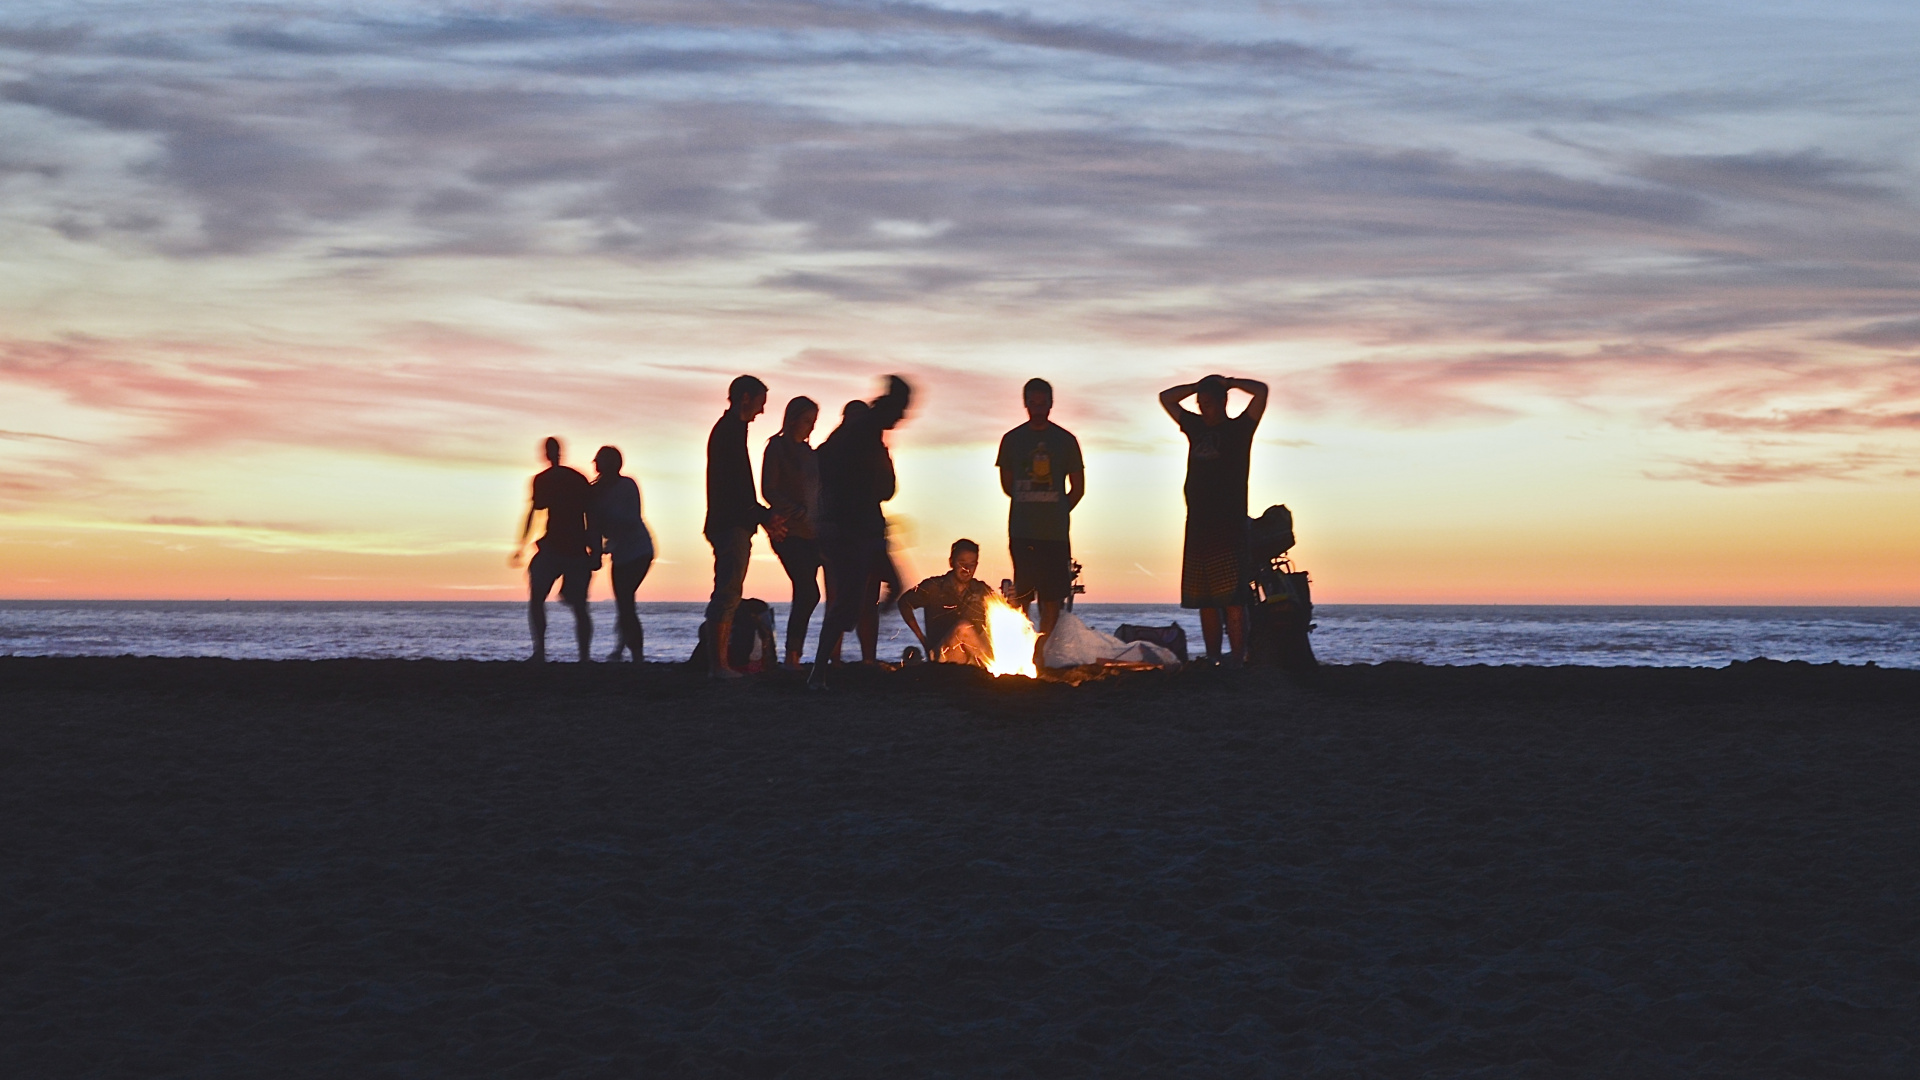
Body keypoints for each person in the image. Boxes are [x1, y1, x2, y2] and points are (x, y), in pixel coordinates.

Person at [808, 376, 912, 690]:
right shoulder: (861, 432)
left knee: (892, 587)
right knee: (848, 603)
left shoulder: (867, 436)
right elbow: (880, 486)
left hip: (865, 528)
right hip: (852, 530)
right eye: (902, 410)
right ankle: (818, 671)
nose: (903, 418)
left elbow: (886, 488)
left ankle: (850, 630)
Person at [1159, 374, 1269, 664]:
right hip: (1197, 524)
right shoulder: (1195, 427)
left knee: (1233, 598)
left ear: (1222, 403)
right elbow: (1166, 397)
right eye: (1200, 403)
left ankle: (1237, 656)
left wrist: (1230, 382)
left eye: (1208, 403)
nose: (1202, 408)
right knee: (1204, 599)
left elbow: (1261, 392)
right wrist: (1196, 386)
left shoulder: (1239, 429)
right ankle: (1212, 656)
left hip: (1228, 524)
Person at [703, 375, 784, 679]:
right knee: (727, 592)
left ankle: (719, 665)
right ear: (746, 398)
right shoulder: (728, 433)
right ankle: (719, 666)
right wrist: (761, 515)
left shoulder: (732, 431)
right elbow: (736, 488)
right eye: (760, 403)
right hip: (730, 523)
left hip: (731, 521)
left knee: (729, 591)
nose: (761, 412)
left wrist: (759, 516)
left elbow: (738, 488)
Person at [996, 377, 1084, 655]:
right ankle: (1022, 650)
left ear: (1051, 404)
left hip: (1054, 534)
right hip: (1022, 531)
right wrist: (1033, 503)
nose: (1037, 408)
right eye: (1032, 402)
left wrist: (1056, 510)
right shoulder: (1012, 440)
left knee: (1052, 598)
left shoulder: (1066, 441)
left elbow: (1078, 488)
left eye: (1042, 402)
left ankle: (1041, 653)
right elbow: (1007, 485)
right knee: (1022, 595)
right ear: (1025, 403)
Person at [510, 436, 597, 663]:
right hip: (563, 547)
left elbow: (534, 512)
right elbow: (590, 515)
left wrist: (595, 549)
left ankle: (548, 652)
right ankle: (567, 655)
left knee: (559, 602)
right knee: (571, 605)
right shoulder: (574, 478)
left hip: (567, 548)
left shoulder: (550, 479)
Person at [762, 396, 822, 668]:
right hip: (788, 530)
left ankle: (794, 656)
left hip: (813, 532)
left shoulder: (811, 455)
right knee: (808, 591)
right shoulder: (777, 448)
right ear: (793, 419)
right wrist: (795, 511)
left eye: (813, 422)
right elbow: (768, 489)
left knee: (807, 592)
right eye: (807, 420)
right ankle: (792, 656)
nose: (810, 427)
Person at [592, 445, 654, 663]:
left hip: (638, 550)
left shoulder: (627, 485)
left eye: (599, 460)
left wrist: (605, 538)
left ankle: (636, 653)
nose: (595, 464)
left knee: (626, 602)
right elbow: (595, 526)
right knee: (624, 602)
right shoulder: (596, 491)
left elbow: (631, 519)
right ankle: (622, 648)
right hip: (620, 552)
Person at [897, 539, 994, 666]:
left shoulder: (981, 590)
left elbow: (1005, 615)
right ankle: (997, 667)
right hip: (945, 655)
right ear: (951, 562)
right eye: (962, 563)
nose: (967, 569)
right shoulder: (933, 587)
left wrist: (1011, 599)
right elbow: (904, 603)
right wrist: (923, 640)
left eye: (972, 564)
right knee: (963, 628)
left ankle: (994, 665)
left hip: (974, 657)